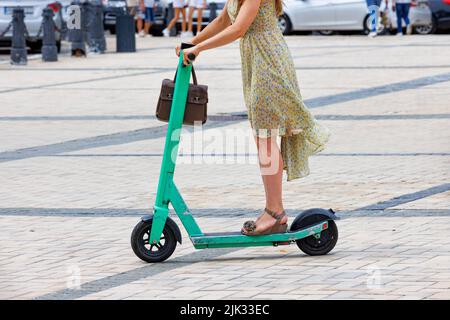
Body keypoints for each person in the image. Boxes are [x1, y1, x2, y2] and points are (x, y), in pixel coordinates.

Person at [176, 0, 330, 235]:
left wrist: (199, 49)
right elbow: (222, 21)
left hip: (268, 62)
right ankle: (273, 210)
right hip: (256, 62)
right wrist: (192, 42)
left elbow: (238, 28)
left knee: (265, 137)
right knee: (263, 137)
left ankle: (276, 213)